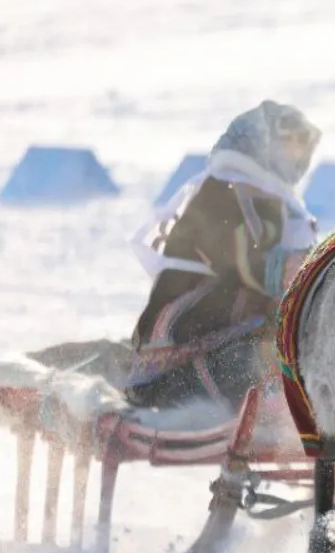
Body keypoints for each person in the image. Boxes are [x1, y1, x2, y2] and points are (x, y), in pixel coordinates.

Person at [119, 101, 321, 411]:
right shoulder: (223, 187)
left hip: (229, 312)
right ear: (264, 142)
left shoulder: (272, 195)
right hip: (189, 323)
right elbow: (231, 255)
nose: (295, 152)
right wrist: (288, 270)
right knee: (274, 343)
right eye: (288, 141)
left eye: (301, 143)